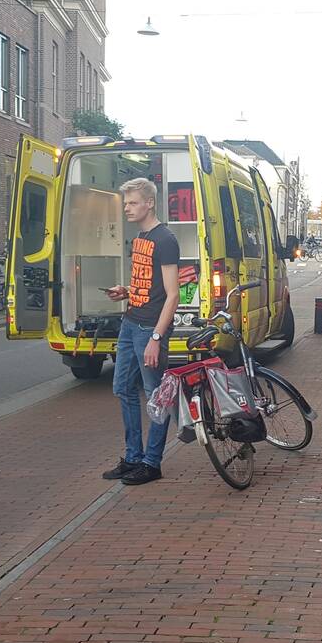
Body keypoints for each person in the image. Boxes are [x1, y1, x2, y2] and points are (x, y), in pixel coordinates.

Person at [102, 178, 180, 486]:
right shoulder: (141, 237)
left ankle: (152, 462)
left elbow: (172, 295)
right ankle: (133, 457)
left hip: (149, 329)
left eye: (132, 202)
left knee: (155, 397)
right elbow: (150, 286)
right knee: (122, 388)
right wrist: (127, 291)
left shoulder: (165, 239)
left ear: (149, 203)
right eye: (126, 203)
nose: (127, 208)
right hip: (130, 321)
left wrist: (157, 338)